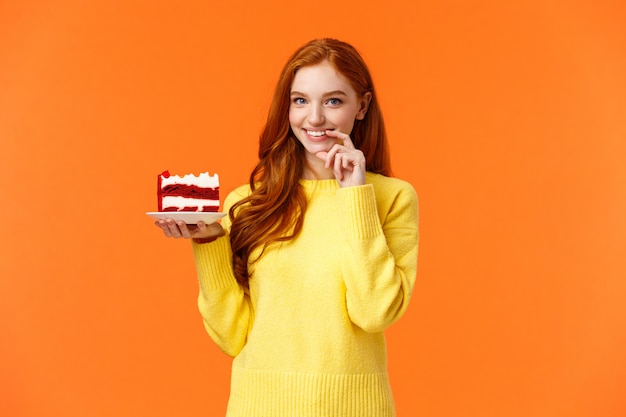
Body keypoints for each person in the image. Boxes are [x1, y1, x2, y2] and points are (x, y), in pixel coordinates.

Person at [155, 38, 419, 417]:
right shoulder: (247, 203)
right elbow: (232, 336)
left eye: (332, 100)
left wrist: (355, 196)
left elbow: (375, 312)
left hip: (354, 409)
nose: (314, 118)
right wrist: (209, 241)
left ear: (361, 106)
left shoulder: (392, 198)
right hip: (257, 406)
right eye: (300, 100)